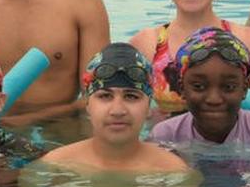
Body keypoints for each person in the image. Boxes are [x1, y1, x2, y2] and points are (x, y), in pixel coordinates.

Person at [149, 28, 250, 161]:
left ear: (244, 89)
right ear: (182, 89)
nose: (214, 99)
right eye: (199, 86)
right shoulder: (164, 136)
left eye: (229, 87)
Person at [39, 43, 189, 173]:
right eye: (105, 96)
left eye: (131, 97)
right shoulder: (54, 166)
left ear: (148, 106)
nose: (117, 111)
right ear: (87, 104)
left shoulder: (174, 171)